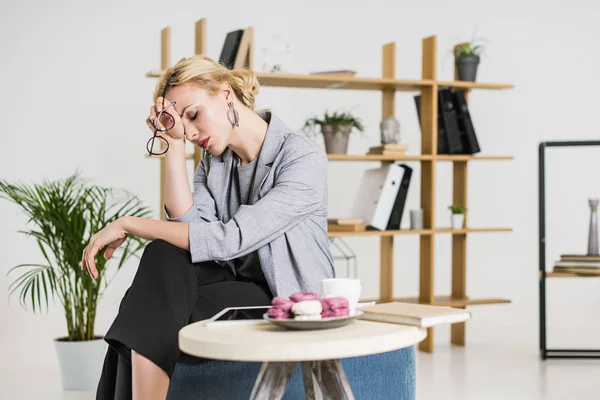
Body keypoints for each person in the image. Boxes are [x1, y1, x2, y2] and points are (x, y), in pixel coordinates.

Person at [82, 54, 336, 400]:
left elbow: (227, 240)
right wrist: (172, 144)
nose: (190, 132)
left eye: (193, 115)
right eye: (183, 124)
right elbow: (189, 230)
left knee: (147, 307)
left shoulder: (301, 158)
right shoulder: (216, 161)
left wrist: (129, 224)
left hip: (287, 299)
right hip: (235, 289)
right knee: (161, 261)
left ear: (225, 93)